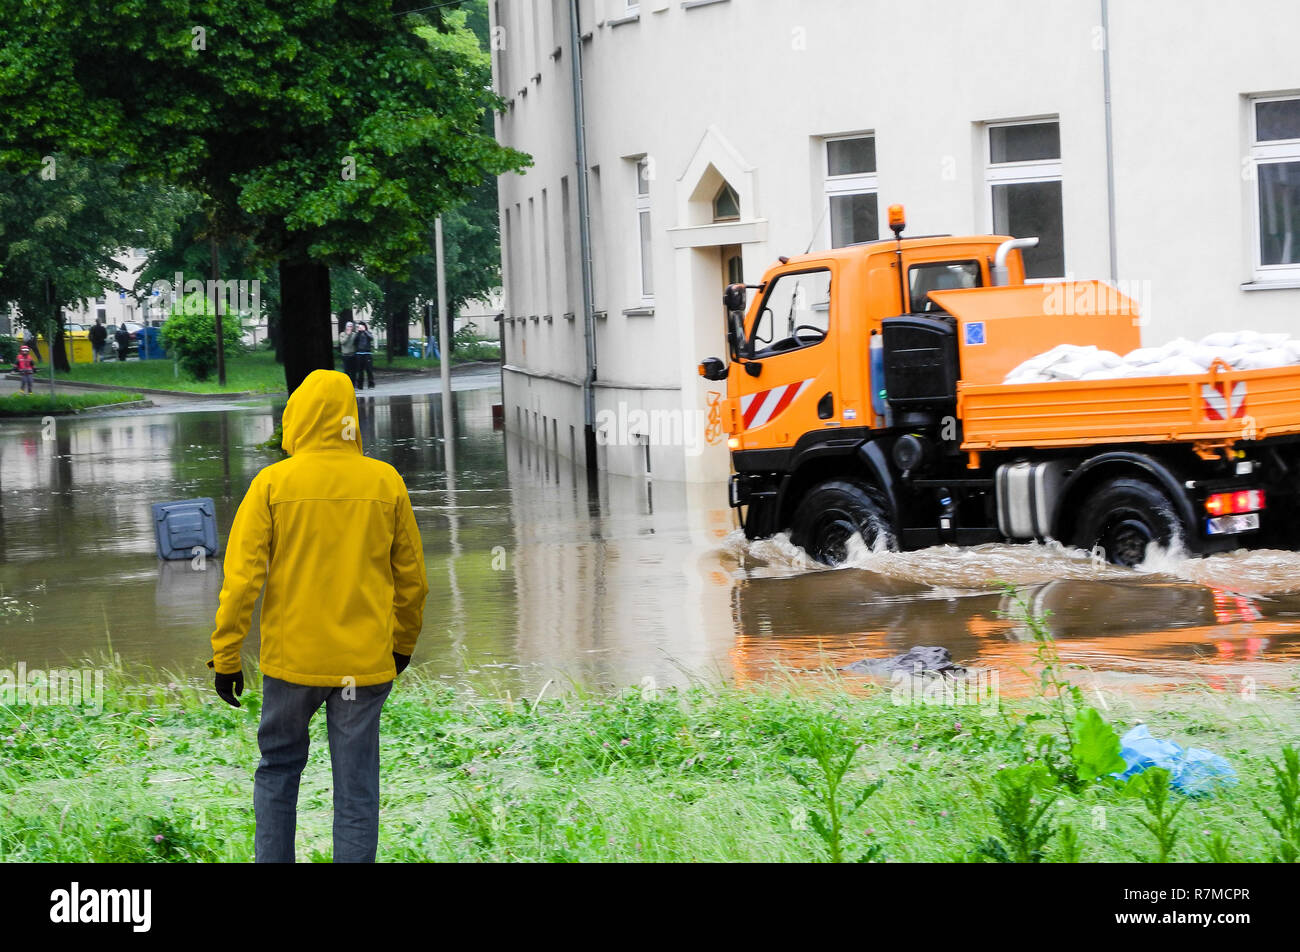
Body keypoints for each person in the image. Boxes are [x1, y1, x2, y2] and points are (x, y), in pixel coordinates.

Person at [208, 369, 428, 863]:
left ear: (297, 418)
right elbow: (413, 579)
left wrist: (226, 657)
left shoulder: (272, 484)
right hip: (363, 664)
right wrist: (401, 643)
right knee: (356, 788)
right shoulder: (385, 481)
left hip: (293, 664)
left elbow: (242, 581)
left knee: (279, 771)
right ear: (352, 418)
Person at [354, 322, 375, 390]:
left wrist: (365, 331)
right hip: (359, 354)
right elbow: (354, 341)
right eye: (359, 327)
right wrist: (358, 332)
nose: (360, 328)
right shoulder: (357, 334)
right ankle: (360, 386)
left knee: (369, 370)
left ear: (365, 327)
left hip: (367, 354)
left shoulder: (368, 333)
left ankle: (371, 385)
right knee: (360, 370)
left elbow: (371, 338)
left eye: (362, 326)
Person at [339, 320, 358, 386]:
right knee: (346, 371)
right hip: (345, 356)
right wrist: (347, 335)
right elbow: (342, 342)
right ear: (346, 327)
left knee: (353, 371)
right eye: (348, 326)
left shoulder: (354, 334)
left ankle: (353, 384)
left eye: (351, 326)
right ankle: (347, 384)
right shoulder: (342, 334)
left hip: (353, 355)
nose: (350, 327)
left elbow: (357, 343)